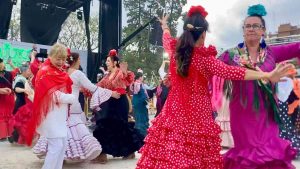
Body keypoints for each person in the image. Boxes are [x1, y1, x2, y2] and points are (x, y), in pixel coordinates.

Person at [136, 5, 295, 169]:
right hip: (199, 117)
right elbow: (235, 72)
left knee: (170, 154)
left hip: (173, 112)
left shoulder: (175, 50)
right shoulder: (206, 60)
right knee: (196, 157)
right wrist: (266, 75)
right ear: (203, 34)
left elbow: (166, 38)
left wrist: (164, 26)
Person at [216, 4, 299, 169]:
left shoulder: (271, 53)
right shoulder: (230, 55)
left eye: (255, 26)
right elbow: (210, 67)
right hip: (242, 113)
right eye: (247, 26)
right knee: (248, 156)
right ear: (243, 30)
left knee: (269, 154)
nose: (251, 29)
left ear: (263, 31)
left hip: (267, 114)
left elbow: (297, 47)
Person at [33, 52, 120, 161]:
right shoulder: (78, 74)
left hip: (60, 106)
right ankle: (64, 155)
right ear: (75, 60)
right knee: (74, 133)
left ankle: (60, 156)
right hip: (73, 106)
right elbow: (93, 88)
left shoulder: (61, 72)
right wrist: (111, 93)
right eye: (79, 59)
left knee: (62, 131)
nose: (80, 61)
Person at [25, 43, 77, 169]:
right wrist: (71, 98)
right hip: (50, 115)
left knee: (62, 145)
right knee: (56, 147)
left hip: (60, 115)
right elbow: (52, 95)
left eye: (63, 59)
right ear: (51, 56)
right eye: (58, 58)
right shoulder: (45, 72)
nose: (61, 62)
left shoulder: (58, 71)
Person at [92, 49, 144, 164]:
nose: (106, 63)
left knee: (121, 126)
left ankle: (129, 151)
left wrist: (124, 72)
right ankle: (102, 153)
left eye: (108, 61)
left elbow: (127, 79)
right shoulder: (107, 76)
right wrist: (86, 88)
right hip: (109, 103)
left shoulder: (120, 72)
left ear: (115, 62)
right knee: (104, 124)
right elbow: (98, 86)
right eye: (106, 61)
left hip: (120, 102)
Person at [8, 62, 33, 144]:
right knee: (19, 122)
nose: (30, 72)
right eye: (29, 70)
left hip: (23, 103)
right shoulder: (20, 79)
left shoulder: (23, 79)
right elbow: (16, 88)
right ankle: (13, 137)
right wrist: (24, 90)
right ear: (24, 72)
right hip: (20, 104)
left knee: (21, 122)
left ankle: (15, 137)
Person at [130, 72, 149, 137]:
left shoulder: (134, 83)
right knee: (141, 117)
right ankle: (142, 134)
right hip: (140, 103)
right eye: (142, 76)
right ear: (140, 77)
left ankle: (140, 133)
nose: (143, 78)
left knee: (138, 117)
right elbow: (138, 92)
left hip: (137, 102)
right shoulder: (137, 84)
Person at [0, 58, 15, 140]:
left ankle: (4, 134)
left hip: (6, 97)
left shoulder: (9, 73)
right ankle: (7, 134)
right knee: (5, 115)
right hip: (7, 96)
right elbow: (18, 71)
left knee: (4, 115)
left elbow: (17, 71)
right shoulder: (9, 73)